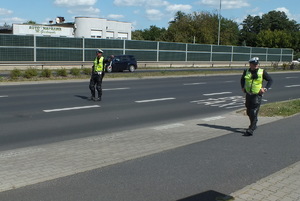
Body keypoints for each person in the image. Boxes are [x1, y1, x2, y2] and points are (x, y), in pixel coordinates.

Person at [240, 57, 273, 136]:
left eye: (256, 64)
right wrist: (243, 87)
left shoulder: (262, 72)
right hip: (248, 94)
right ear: (250, 64)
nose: (255, 66)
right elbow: (242, 79)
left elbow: (270, 80)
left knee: (253, 111)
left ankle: (251, 128)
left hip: (257, 94)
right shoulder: (246, 71)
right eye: (254, 64)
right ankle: (254, 123)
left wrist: (265, 88)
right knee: (248, 111)